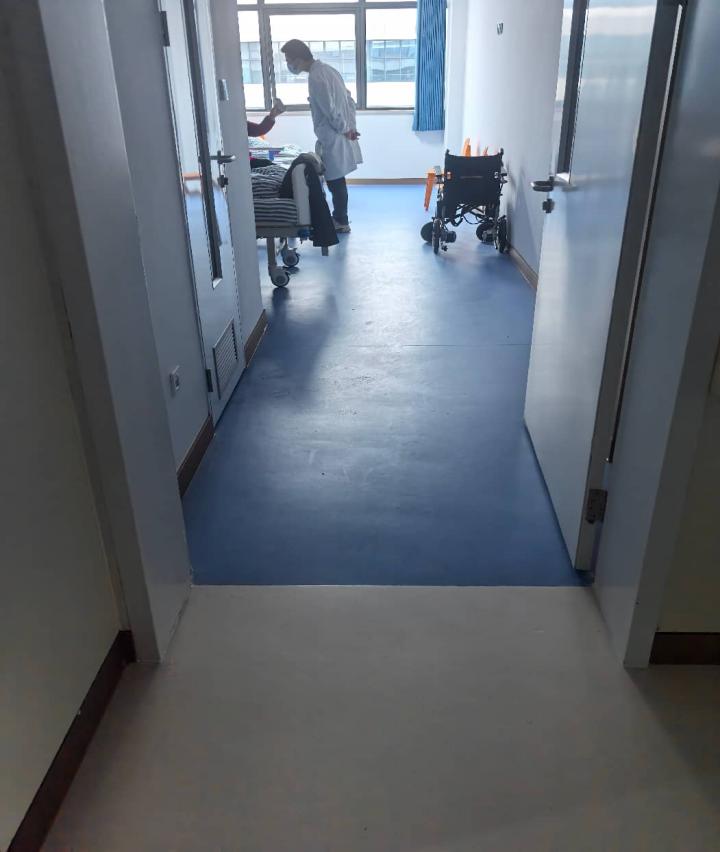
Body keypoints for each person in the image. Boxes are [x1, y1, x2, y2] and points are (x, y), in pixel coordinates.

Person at [280, 39, 362, 233]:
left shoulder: (316, 77)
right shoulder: (329, 70)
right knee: (337, 179)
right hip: (337, 133)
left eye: (289, 60)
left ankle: (341, 220)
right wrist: (350, 127)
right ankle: (340, 218)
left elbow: (330, 111)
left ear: (298, 59)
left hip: (333, 135)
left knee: (335, 180)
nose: (289, 65)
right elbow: (349, 100)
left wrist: (345, 129)